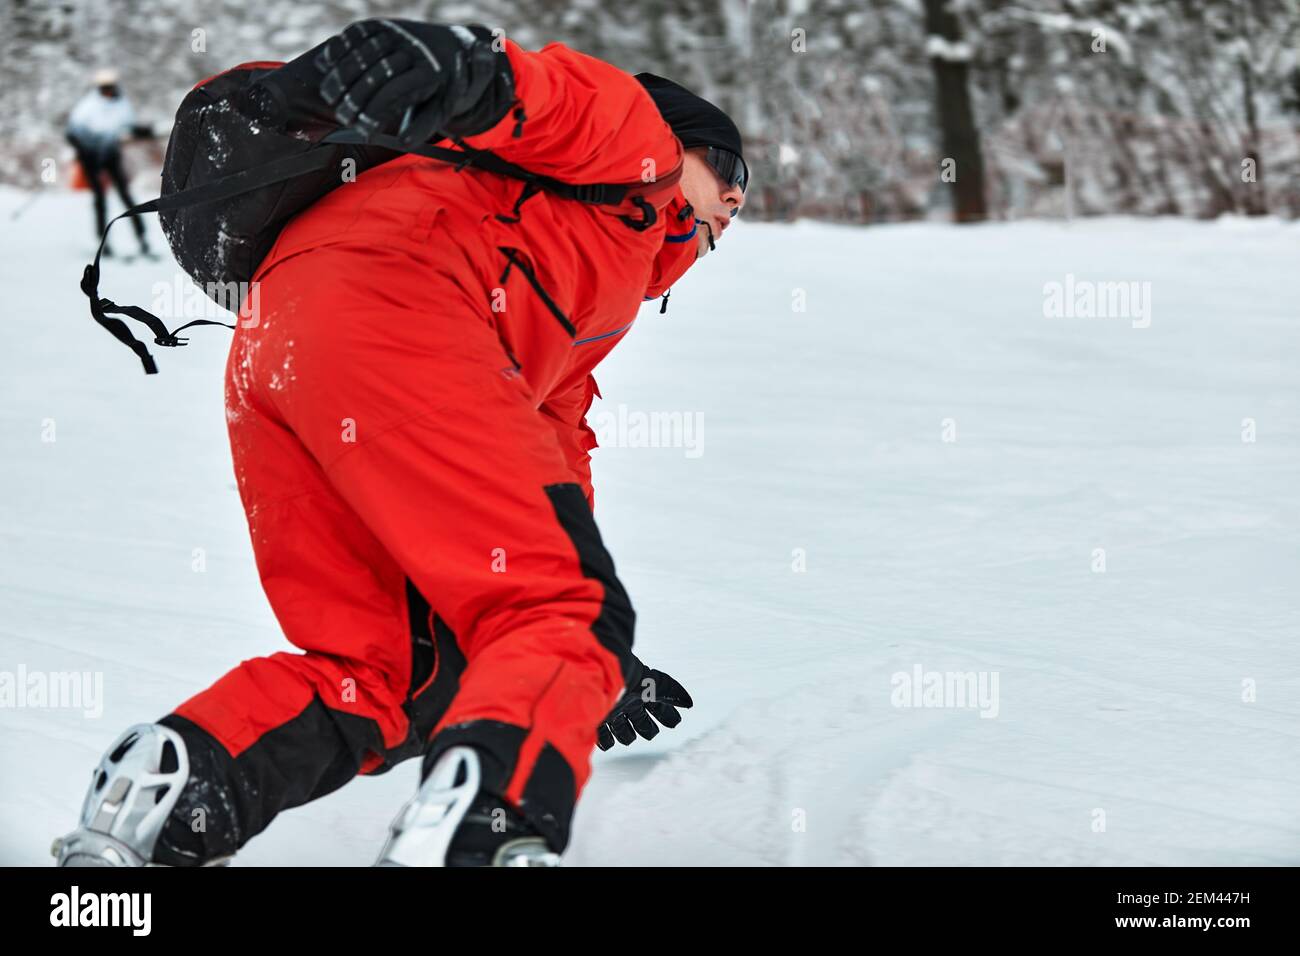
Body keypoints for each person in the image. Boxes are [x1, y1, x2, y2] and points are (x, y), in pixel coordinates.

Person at [55, 19, 747, 868]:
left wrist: (591, 657)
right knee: (554, 611)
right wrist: (460, 68)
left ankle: (169, 800)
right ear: (686, 145)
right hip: (398, 314)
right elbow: (549, 96)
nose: (741, 199)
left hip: (282, 350)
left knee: (387, 674)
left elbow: (551, 451)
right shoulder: (641, 147)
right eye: (733, 170)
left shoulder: (588, 285)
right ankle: (483, 837)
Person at [65, 67, 154, 257]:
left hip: (110, 155)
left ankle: (142, 239)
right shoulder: (88, 105)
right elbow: (72, 133)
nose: (108, 91)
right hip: (91, 157)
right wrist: (85, 150)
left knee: (125, 196)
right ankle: (102, 242)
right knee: (100, 199)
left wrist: (143, 131)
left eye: (110, 87)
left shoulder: (121, 105)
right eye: (104, 88)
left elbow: (128, 126)